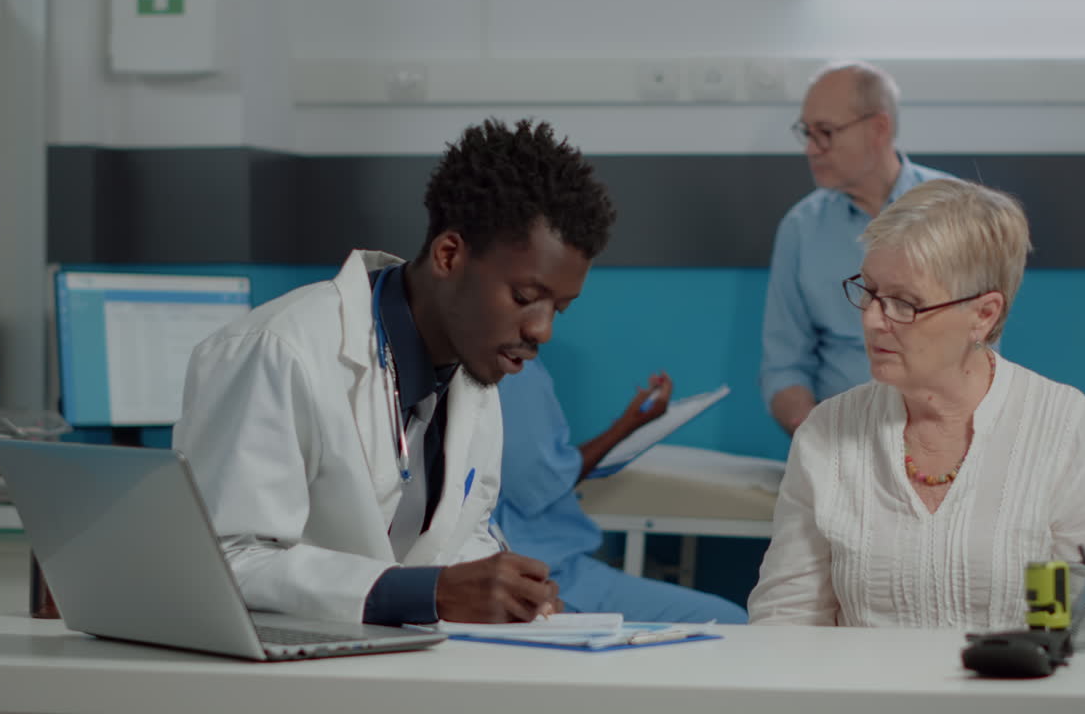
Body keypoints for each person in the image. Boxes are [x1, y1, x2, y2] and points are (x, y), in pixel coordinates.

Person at [172, 119, 616, 626]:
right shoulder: (279, 352)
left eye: (560, 308)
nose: (542, 330)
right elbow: (223, 560)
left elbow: (455, 537)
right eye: (524, 298)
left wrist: (506, 593)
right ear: (449, 256)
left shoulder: (476, 371)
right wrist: (424, 593)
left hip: (399, 665)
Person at [748, 179, 1085, 632]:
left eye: (904, 303)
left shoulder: (1064, 432)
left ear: (983, 315)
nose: (870, 319)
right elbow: (785, 620)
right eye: (868, 291)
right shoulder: (828, 433)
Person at [761, 61, 954, 435]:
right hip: (840, 438)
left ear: (878, 129)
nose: (811, 149)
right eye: (807, 132)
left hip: (941, 434)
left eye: (826, 133)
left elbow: (976, 351)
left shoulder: (955, 213)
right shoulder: (801, 228)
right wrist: (815, 435)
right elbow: (784, 367)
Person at [493, 357, 749, 623]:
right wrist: (628, 425)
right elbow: (538, 483)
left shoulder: (502, 368)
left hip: (558, 569)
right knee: (731, 623)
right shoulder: (516, 370)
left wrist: (630, 425)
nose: (542, 330)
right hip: (552, 577)